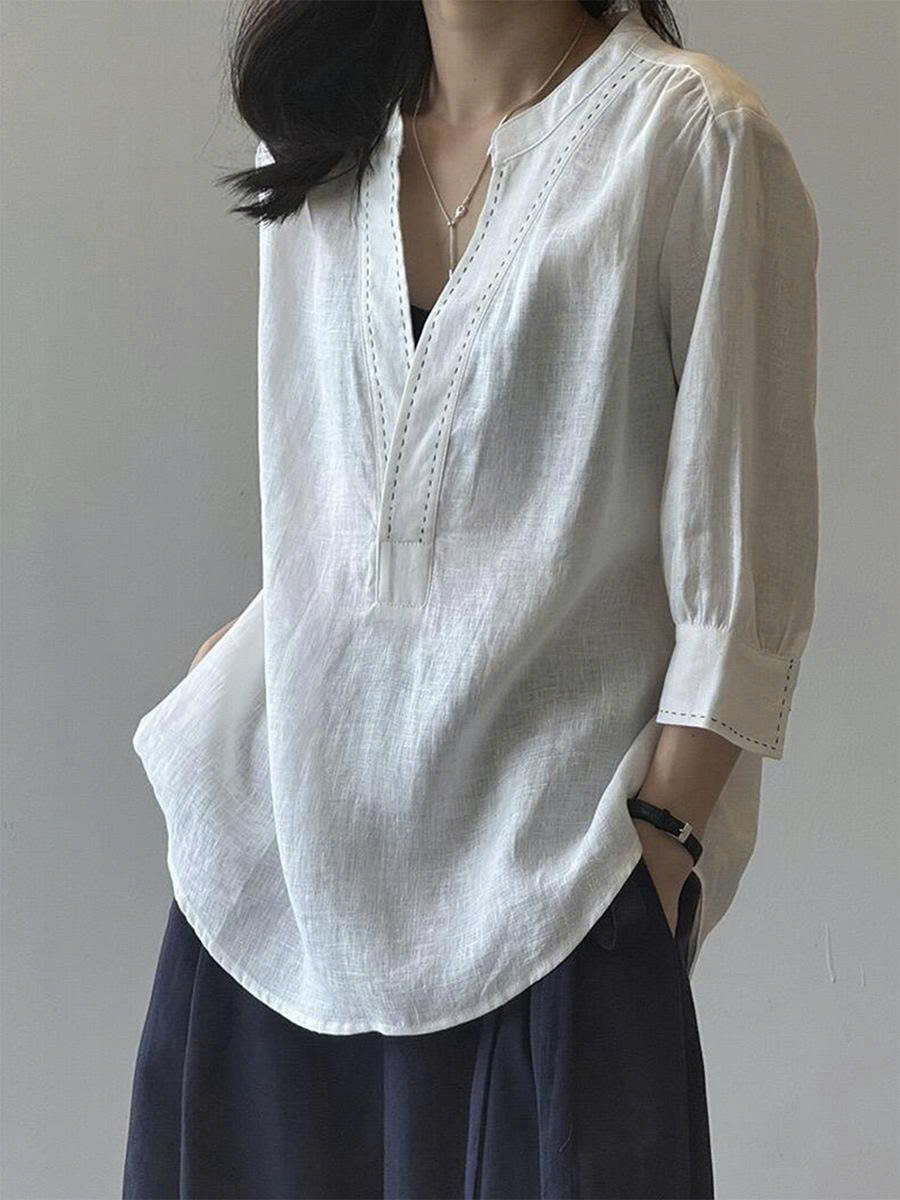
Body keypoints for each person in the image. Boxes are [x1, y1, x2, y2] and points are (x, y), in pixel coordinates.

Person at [122, 1, 820, 1196]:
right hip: (271, 907)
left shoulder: (689, 138)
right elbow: (341, 496)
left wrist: (656, 855)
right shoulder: (321, 140)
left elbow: (744, 565)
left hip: (549, 907)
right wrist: (258, 649)